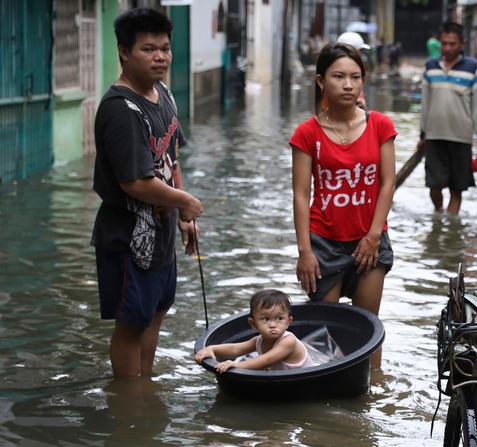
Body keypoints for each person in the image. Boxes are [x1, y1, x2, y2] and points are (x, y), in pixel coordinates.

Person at [90, 8, 203, 378]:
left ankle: (144, 388)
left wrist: (182, 214)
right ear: (124, 52)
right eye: (148, 49)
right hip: (127, 237)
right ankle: (128, 401)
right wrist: (184, 201)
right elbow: (133, 182)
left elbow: (172, 157)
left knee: (155, 314)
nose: (160, 57)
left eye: (165, 49)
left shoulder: (163, 94)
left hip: (162, 232)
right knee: (131, 324)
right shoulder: (120, 109)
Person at [289, 43, 396, 368]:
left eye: (355, 77)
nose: (348, 85)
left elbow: (387, 183)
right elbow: (300, 194)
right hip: (323, 243)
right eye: (339, 77)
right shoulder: (307, 133)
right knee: (324, 332)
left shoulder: (380, 126)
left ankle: (369, 394)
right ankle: (325, 400)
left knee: (368, 327)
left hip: (370, 240)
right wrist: (305, 251)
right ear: (321, 81)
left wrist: (374, 236)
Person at [418, 22, 477, 215]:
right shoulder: (430, 67)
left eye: (452, 44)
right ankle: (439, 213)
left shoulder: (473, 68)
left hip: (461, 136)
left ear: (462, 43)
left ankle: (450, 226)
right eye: (444, 43)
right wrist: (422, 134)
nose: (447, 48)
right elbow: (425, 103)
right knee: (434, 185)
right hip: (434, 135)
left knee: (457, 187)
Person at [194, 289, 315, 372]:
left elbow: (266, 360)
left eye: (279, 319)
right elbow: (236, 349)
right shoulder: (258, 341)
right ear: (253, 324)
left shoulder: (288, 342)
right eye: (265, 319)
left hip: (306, 380)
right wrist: (212, 349)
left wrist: (236, 365)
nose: (273, 325)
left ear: (288, 322)